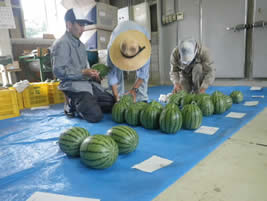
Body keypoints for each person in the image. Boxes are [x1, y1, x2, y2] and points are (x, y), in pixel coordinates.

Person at [51, 8, 115, 123]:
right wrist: (82, 73)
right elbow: (58, 71)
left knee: (112, 103)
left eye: (84, 25)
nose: (83, 29)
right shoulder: (61, 44)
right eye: (80, 25)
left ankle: (88, 102)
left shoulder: (81, 45)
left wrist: (93, 74)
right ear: (69, 24)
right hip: (73, 87)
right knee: (95, 116)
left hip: (87, 85)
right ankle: (71, 104)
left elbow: (85, 69)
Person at [107, 20, 151, 102]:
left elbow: (143, 73)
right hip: (118, 35)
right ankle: (119, 97)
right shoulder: (111, 48)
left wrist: (134, 90)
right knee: (117, 70)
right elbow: (112, 74)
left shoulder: (145, 48)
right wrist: (116, 96)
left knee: (143, 70)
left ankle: (142, 97)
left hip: (141, 35)